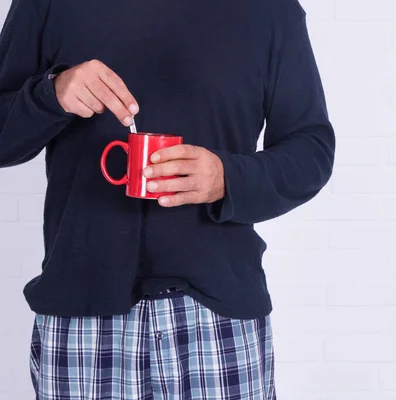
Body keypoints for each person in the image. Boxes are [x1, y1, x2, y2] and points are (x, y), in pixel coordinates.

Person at [0, 0, 335, 398]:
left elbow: (312, 150)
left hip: (220, 315)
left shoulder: (269, 10)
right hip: (82, 315)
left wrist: (227, 178)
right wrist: (51, 94)